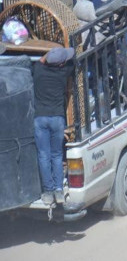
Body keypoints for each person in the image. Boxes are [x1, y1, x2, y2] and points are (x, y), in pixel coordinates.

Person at [32, 47, 76, 206]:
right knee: (57, 155)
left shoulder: (38, 71)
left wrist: (49, 54)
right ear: (60, 64)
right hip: (57, 119)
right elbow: (73, 61)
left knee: (43, 155)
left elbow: (41, 61)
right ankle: (58, 190)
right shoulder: (63, 73)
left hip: (40, 119)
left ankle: (48, 192)